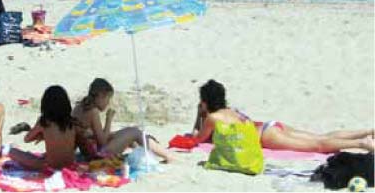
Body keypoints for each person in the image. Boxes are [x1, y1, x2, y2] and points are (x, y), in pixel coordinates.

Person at [192, 79, 374, 153]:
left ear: (205, 101)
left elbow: (198, 139)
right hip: (269, 125)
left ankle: (361, 143)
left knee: (318, 146)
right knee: (320, 137)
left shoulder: (213, 118)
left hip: (266, 136)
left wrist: (199, 115)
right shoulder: (231, 110)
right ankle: (367, 131)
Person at [73, 78, 174, 162]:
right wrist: (109, 120)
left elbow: (90, 134)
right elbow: (102, 142)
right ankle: (167, 155)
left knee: (128, 133)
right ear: (101, 96)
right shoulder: (93, 111)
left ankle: (155, 151)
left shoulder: (79, 107)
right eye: (108, 99)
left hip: (87, 153)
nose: (108, 103)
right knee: (135, 132)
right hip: (98, 155)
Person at [9, 85, 76, 170]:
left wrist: (41, 135)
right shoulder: (71, 122)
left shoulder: (44, 122)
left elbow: (27, 139)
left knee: (12, 152)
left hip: (50, 167)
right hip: (69, 165)